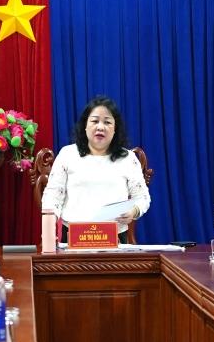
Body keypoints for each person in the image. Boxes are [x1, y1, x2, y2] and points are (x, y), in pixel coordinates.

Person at [40, 95, 150, 241]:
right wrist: (49, 225)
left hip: (114, 237)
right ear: (85, 126)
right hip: (74, 236)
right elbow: (53, 195)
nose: (100, 127)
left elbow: (142, 198)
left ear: (115, 129)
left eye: (107, 122)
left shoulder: (127, 158)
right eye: (95, 121)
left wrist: (134, 211)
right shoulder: (68, 154)